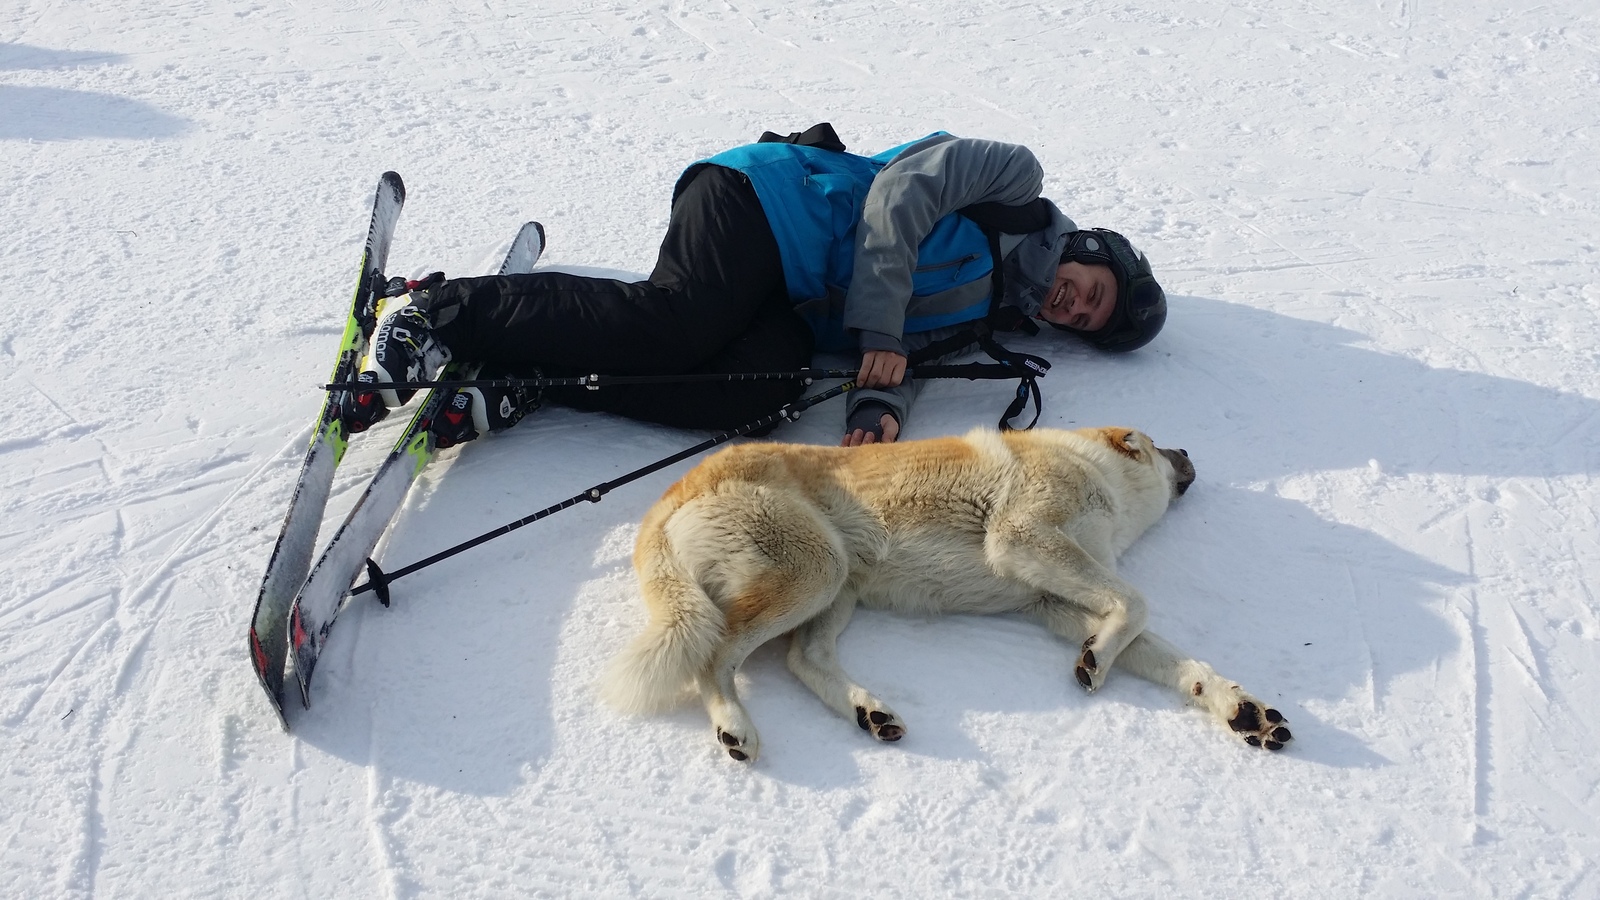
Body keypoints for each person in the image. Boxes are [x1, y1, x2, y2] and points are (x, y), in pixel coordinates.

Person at [347, 125, 1167, 446]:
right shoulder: (1016, 185)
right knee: (677, 325)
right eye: (1090, 291)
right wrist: (881, 332)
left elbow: (902, 356)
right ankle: (438, 312)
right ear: (1092, 251)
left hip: (789, 294)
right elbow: (899, 197)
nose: (1074, 307)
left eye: (1084, 322)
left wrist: (878, 409)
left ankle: (536, 372)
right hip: (766, 201)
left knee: (758, 400)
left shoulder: (993, 316)